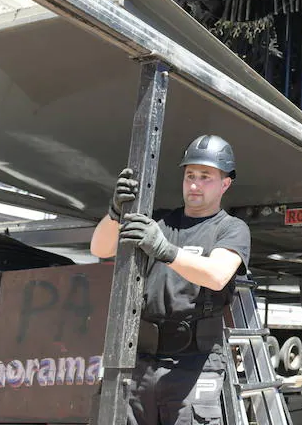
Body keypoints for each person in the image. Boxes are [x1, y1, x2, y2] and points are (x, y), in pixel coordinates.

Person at [90, 135, 251, 425]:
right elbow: (99, 248)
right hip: (141, 360)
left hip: (194, 364)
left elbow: (216, 276)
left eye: (205, 177)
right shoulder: (160, 222)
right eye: (190, 175)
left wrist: (164, 250)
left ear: (225, 184)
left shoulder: (232, 229)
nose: (194, 184)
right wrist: (116, 212)